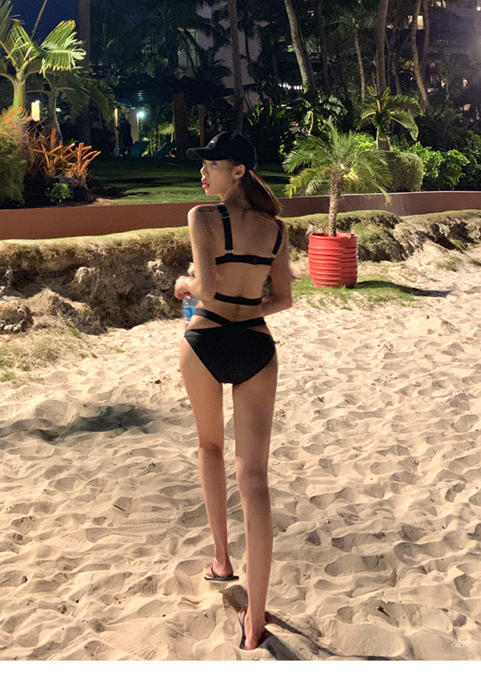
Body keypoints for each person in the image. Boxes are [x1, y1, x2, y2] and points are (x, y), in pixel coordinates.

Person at [173, 130, 292, 652]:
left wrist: (184, 286)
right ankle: (256, 617)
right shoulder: (275, 228)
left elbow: (207, 287)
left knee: (210, 447)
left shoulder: (203, 217)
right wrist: (249, 309)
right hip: (256, 347)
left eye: (212, 163)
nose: (203, 171)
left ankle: (222, 561)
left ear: (238, 170)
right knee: (255, 479)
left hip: (207, 339)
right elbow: (283, 299)